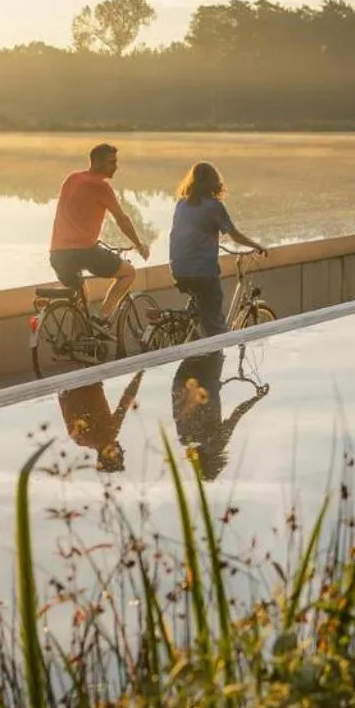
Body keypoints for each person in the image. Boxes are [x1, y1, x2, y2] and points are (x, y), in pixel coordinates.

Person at [50, 143, 149, 329]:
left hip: (57, 254)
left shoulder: (71, 178)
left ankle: (81, 336)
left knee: (81, 295)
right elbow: (122, 220)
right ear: (97, 162)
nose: (116, 167)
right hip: (84, 252)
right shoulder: (101, 187)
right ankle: (102, 319)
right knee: (129, 273)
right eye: (111, 162)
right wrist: (138, 244)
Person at [169, 161, 266, 338]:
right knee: (216, 326)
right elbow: (235, 235)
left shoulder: (181, 204)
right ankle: (218, 358)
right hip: (202, 272)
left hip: (178, 269)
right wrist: (257, 245)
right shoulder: (213, 206)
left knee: (201, 311)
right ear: (214, 182)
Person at [171, 350, 270, 480]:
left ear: (214, 461)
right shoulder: (184, 439)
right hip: (183, 376)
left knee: (217, 341)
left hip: (205, 377)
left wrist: (256, 398)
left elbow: (237, 414)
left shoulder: (216, 443)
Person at [57, 370, 144, 473]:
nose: (116, 450)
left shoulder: (86, 438)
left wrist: (139, 375)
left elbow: (125, 401)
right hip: (75, 384)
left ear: (103, 455)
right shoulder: (108, 433)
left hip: (84, 381)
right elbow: (125, 401)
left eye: (113, 453)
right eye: (119, 453)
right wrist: (139, 376)